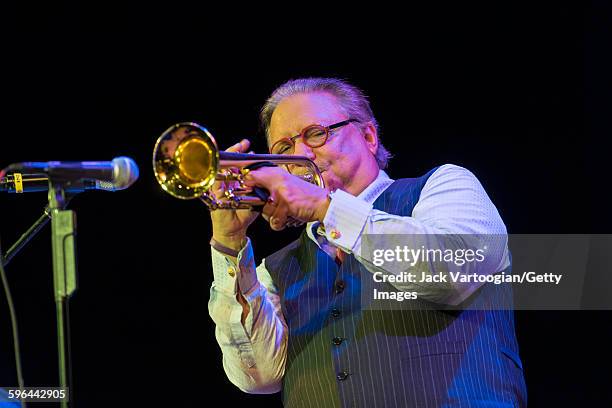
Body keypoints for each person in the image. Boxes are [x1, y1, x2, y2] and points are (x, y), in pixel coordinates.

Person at [207, 78, 527, 407]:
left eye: (315, 134)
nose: (299, 155)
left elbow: (450, 270)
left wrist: (326, 207)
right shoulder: (273, 271)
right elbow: (257, 376)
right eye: (283, 149)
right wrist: (229, 243)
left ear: (369, 136)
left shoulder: (442, 187)